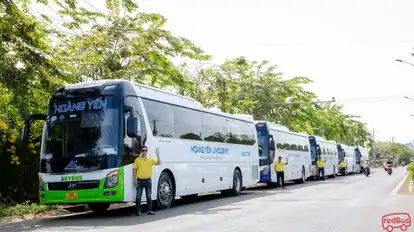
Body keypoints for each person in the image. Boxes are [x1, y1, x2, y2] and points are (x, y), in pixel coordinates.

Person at [133, 145, 161, 216]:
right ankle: (138, 211)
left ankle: (149, 210)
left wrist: (157, 155)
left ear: (147, 151)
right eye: (143, 150)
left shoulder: (150, 159)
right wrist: (134, 180)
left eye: (145, 150)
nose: (144, 151)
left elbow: (159, 163)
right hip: (140, 181)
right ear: (141, 151)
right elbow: (134, 170)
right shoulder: (137, 160)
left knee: (148, 196)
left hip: (148, 180)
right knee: (138, 196)